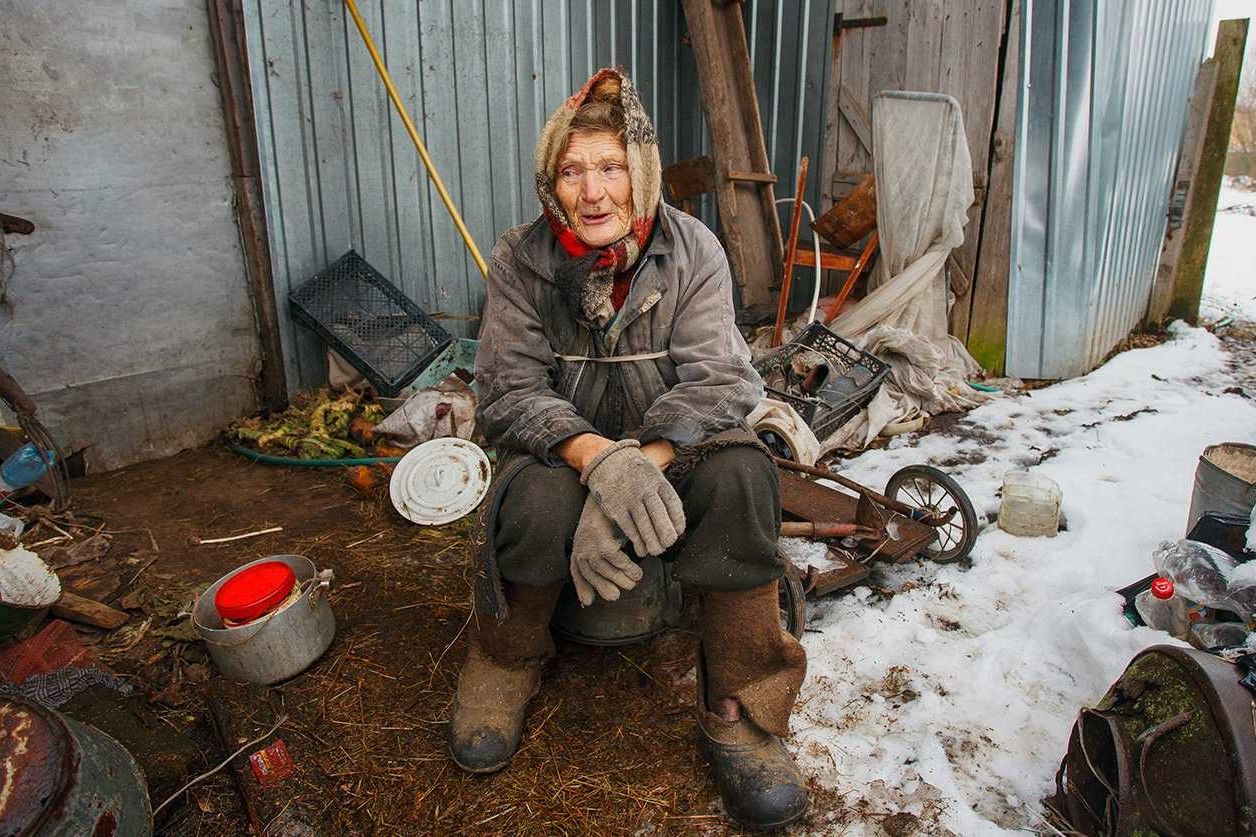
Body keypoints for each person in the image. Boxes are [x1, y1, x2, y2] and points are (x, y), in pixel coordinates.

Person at [448, 68, 809, 829]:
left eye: (611, 167)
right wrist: (594, 460)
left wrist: (637, 464)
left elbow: (719, 379)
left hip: (671, 453)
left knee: (745, 474)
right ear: (552, 180)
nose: (594, 192)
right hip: (561, 455)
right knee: (535, 503)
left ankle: (741, 701)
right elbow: (508, 392)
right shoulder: (522, 259)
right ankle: (508, 655)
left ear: (639, 172)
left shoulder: (693, 249)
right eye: (573, 171)